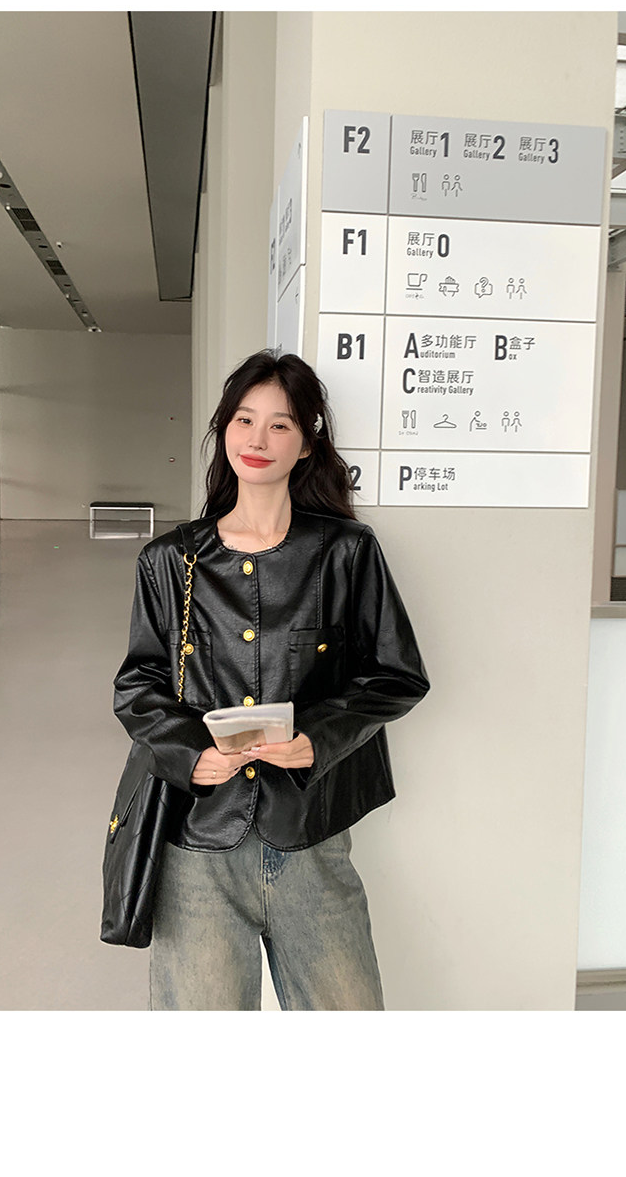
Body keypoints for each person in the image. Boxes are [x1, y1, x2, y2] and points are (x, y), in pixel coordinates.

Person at [113, 350, 429, 1011]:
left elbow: (396, 675)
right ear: (224, 429)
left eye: (280, 425)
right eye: (244, 420)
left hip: (311, 838)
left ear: (306, 443)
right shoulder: (170, 560)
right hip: (197, 844)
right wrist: (189, 753)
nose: (258, 439)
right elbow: (138, 685)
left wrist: (317, 737)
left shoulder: (346, 552)